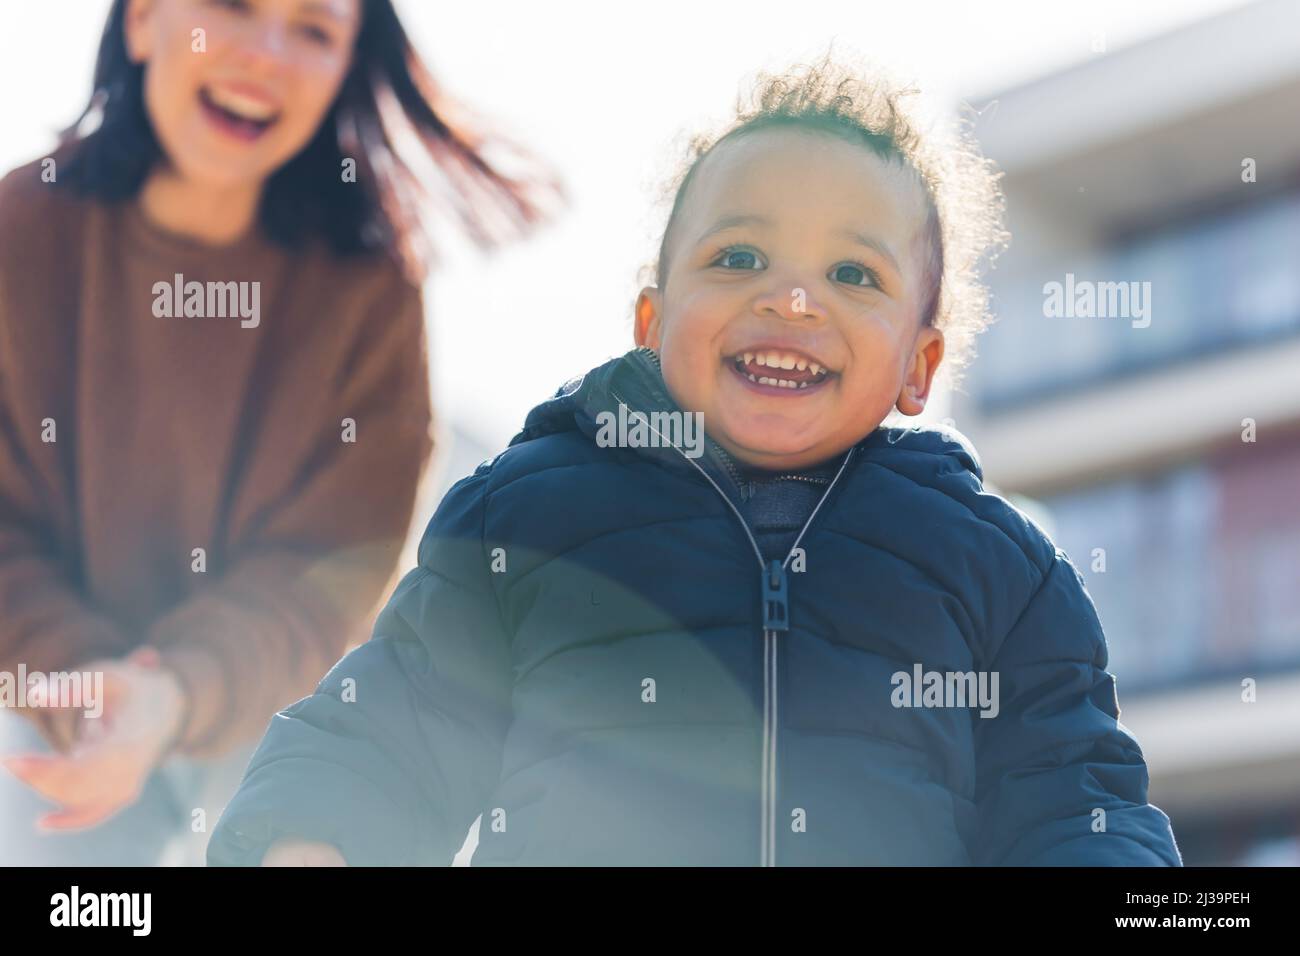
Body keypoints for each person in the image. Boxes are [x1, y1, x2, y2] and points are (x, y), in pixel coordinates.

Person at [207, 56, 1183, 866]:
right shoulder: (529, 516)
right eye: (737, 257)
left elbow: (1072, 797)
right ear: (651, 320)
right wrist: (311, 837)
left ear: (920, 364)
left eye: (852, 273)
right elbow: (392, 726)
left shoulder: (996, 569)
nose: (792, 300)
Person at [0, 0, 552, 865]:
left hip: (268, 701)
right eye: (233, 7)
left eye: (314, 30)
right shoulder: (19, 231)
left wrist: (180, 693)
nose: (268, 55)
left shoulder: (371, 286)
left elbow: (333, 568)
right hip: (50, 702)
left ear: (344, 65)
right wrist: (92, 691)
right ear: (144, 20)